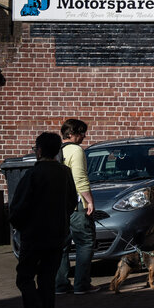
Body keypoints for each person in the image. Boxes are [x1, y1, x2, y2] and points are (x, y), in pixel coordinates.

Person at [9, 132, 77, 308]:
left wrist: (20, 226)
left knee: (25, 277)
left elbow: (19, 207)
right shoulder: (65, 173)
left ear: (38, 150)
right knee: (47, 280)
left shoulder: (32, 175)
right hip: (57, 235)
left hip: (34, 235)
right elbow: (72, 202)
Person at [55, 118, 98, 295]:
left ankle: (61, 285)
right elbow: (79, 179)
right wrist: (89, 201)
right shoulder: (76, 151)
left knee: (62, 246)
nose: (84, 137)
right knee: (85, 241)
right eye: (81, 133)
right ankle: (82, 284)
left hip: (58, 206)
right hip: (76, 204)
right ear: (72, 134)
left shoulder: (56, 151)